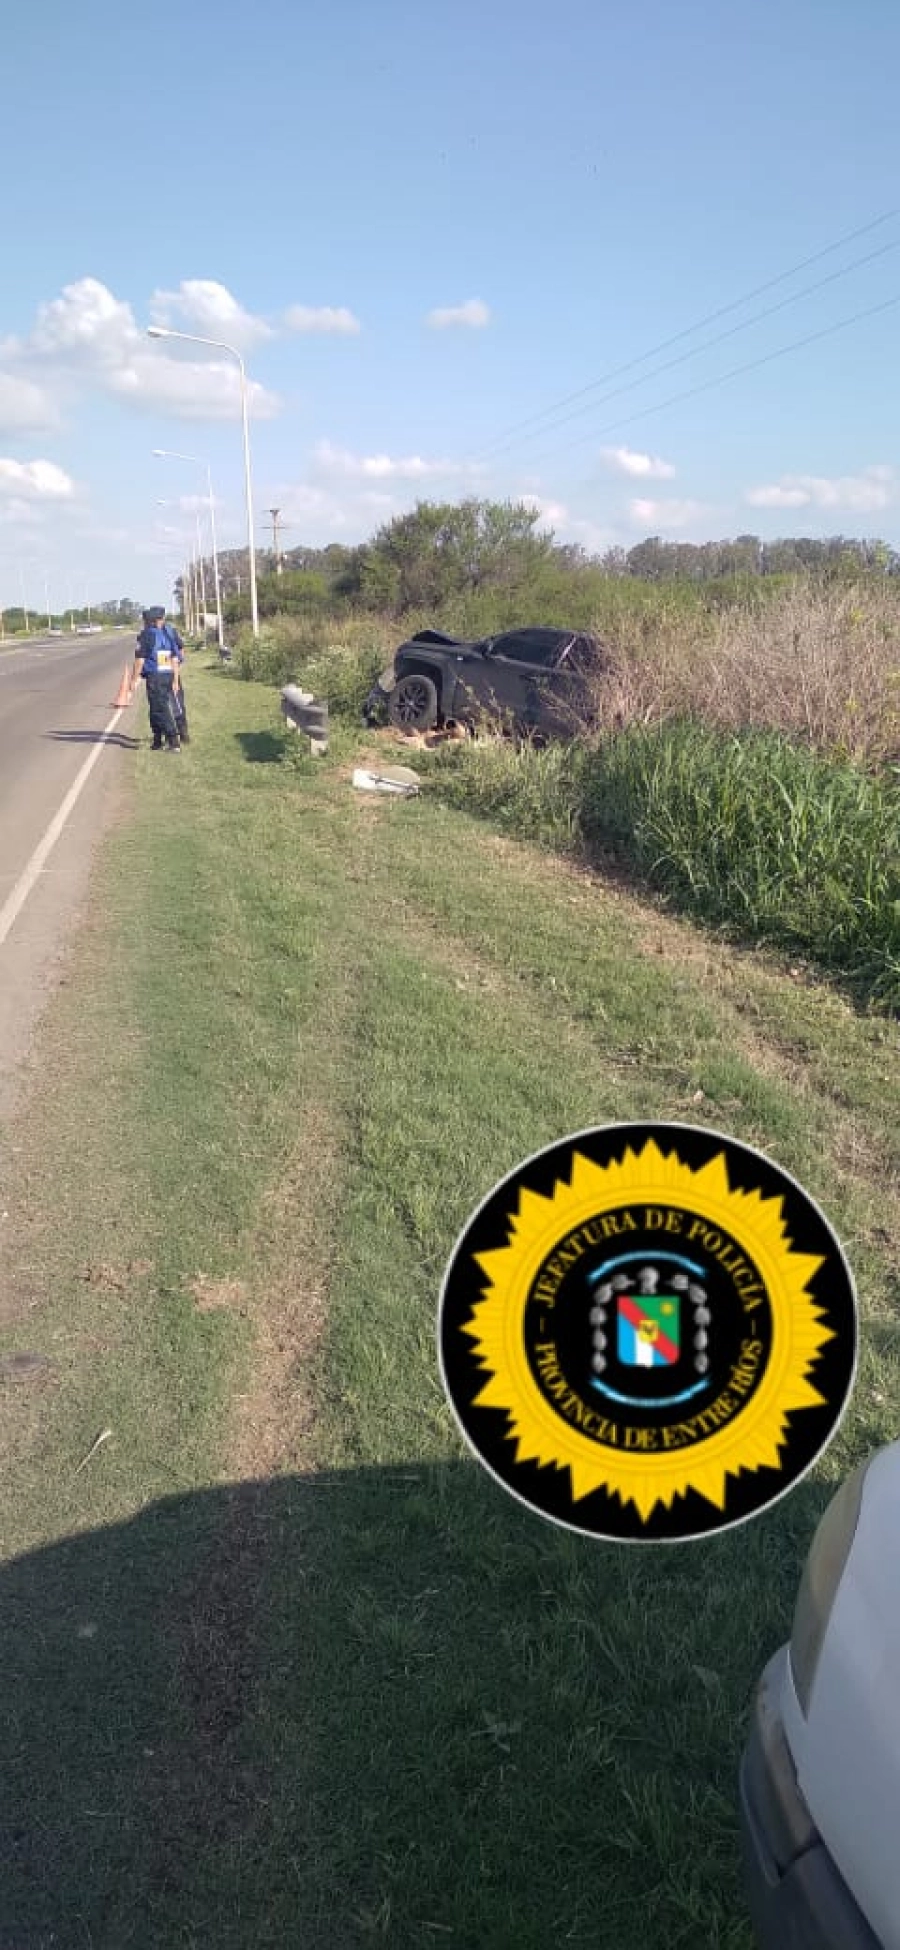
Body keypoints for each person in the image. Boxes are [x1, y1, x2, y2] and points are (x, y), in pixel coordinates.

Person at [133, 606, 186, 751]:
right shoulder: (167, 634)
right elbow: (175, 658)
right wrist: (175, 679)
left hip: (156, 677)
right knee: (156, 708)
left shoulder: (147, 635)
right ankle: (157, 740)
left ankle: (173, 741)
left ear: (149, 621)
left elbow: (140, 660)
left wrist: (134, 679)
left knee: (161, 708)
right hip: (168, 675)